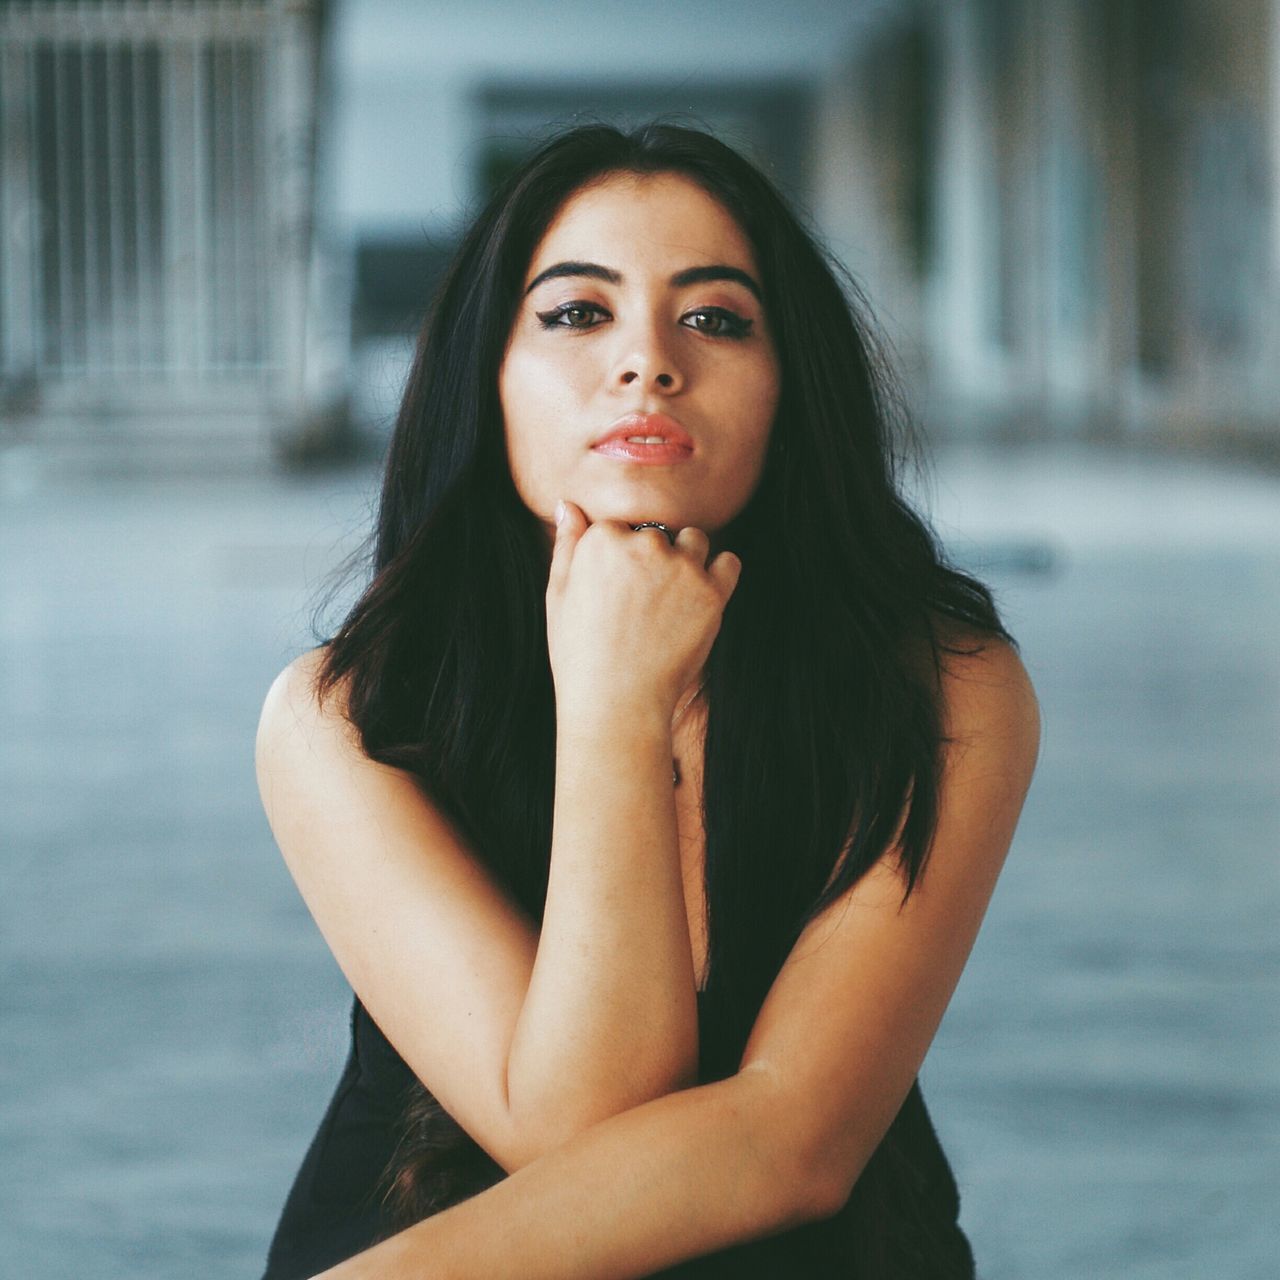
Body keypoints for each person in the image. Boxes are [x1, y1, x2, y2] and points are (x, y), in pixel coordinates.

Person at [253, 122, 1040, 1279]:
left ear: (790, 387)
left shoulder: (942, 680)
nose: (647, 361)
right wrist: (615, 705)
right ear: (489, 377)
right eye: (576, 312)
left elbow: (788, 1142)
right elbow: (570, 1128)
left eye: (715, 317)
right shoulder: (341, 715)